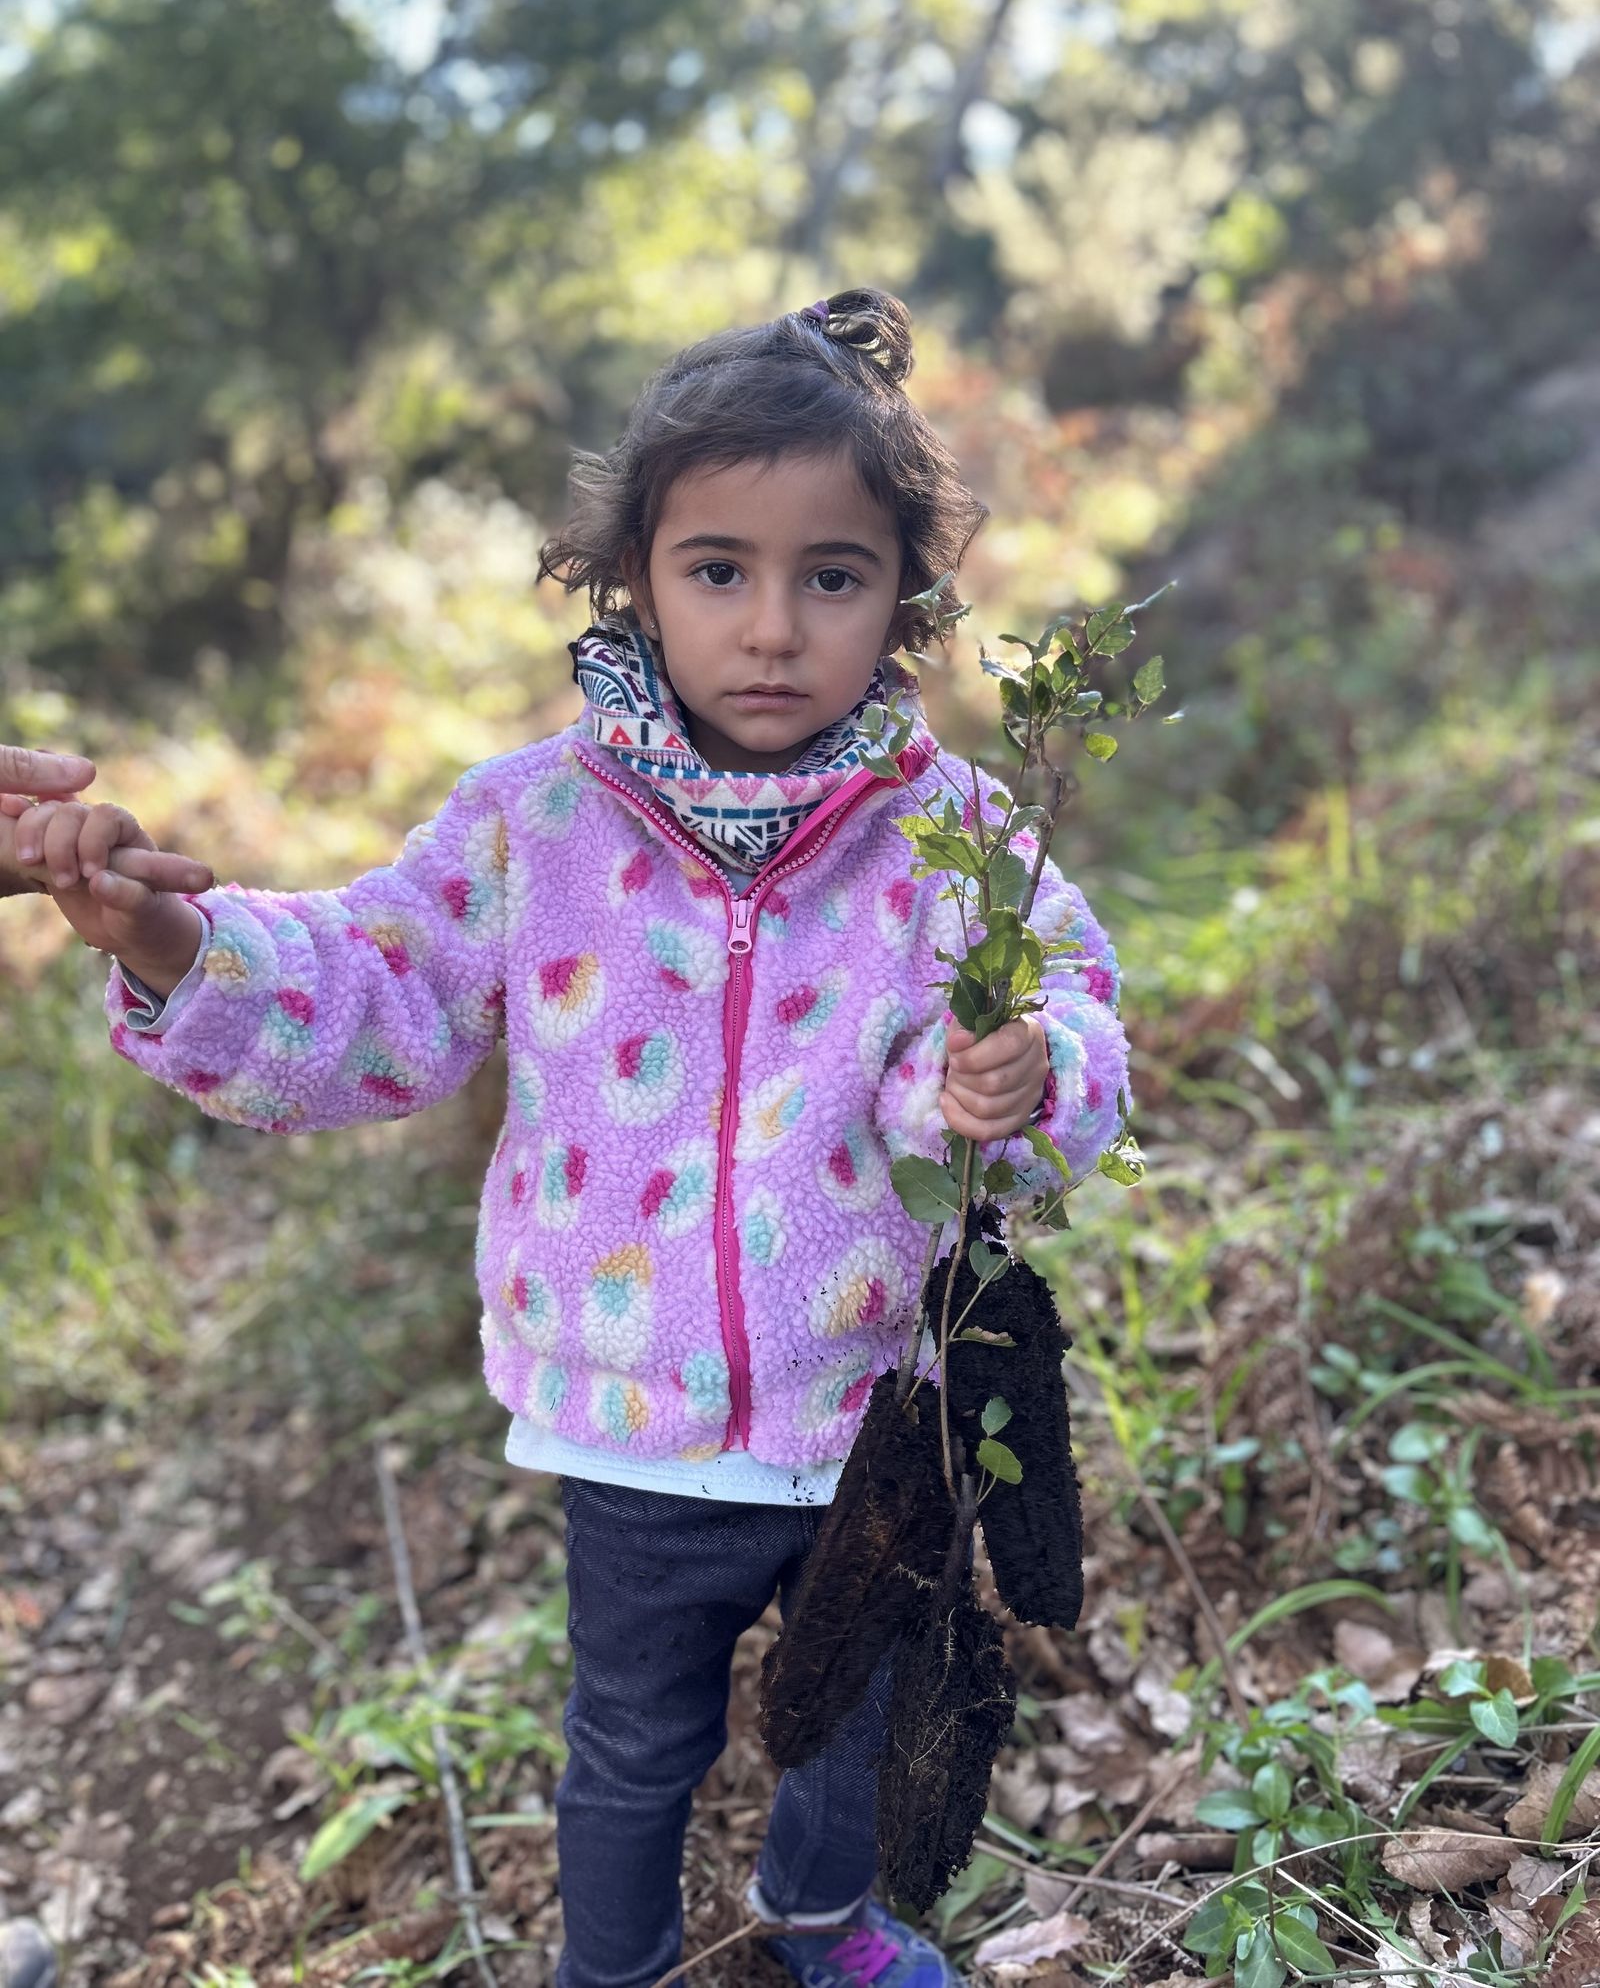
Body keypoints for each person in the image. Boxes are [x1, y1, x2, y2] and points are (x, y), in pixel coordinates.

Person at [1, 289, 1131, 1988]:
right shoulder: (537, 822)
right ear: (637, 576)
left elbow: (1072, 1002)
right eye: (718, 568)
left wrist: (1029, 1071)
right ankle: (607, 1965)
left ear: (906, 594)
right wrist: (171, 945)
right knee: (630, 1741)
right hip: (628, 1417)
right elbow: (374, 985)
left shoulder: (955, 831)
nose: (772, 625)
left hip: (873, 1403)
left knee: (859, 1701)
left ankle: (827, 1920)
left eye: (833, 573)